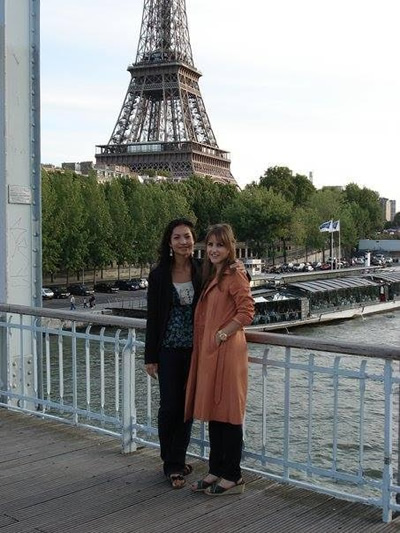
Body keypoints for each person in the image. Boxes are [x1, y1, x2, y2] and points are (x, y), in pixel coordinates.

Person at [185, 223, 254, 496]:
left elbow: (247, 311)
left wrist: (222, 333)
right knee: (216, 413)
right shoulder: (215, 274)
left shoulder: (235, 275)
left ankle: (233, 476)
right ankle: (216, 470)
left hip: (227, 352)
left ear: (230, 248)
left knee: (230, 415)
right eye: (211, 245)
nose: (214, 250)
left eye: (220, 245)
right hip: (213, 353)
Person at [144, 218, 201, 489]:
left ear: (193, 240)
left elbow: (235, 281)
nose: (183, 242)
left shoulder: (203, 269)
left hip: (196, 349)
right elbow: (153, 318)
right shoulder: (158, 275)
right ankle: (171, 462)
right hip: (167, 348)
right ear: (169, 243)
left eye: (187, 236)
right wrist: (150, 356)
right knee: (170, 407)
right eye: (177, 237)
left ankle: (176, 461)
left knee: (187, 407)